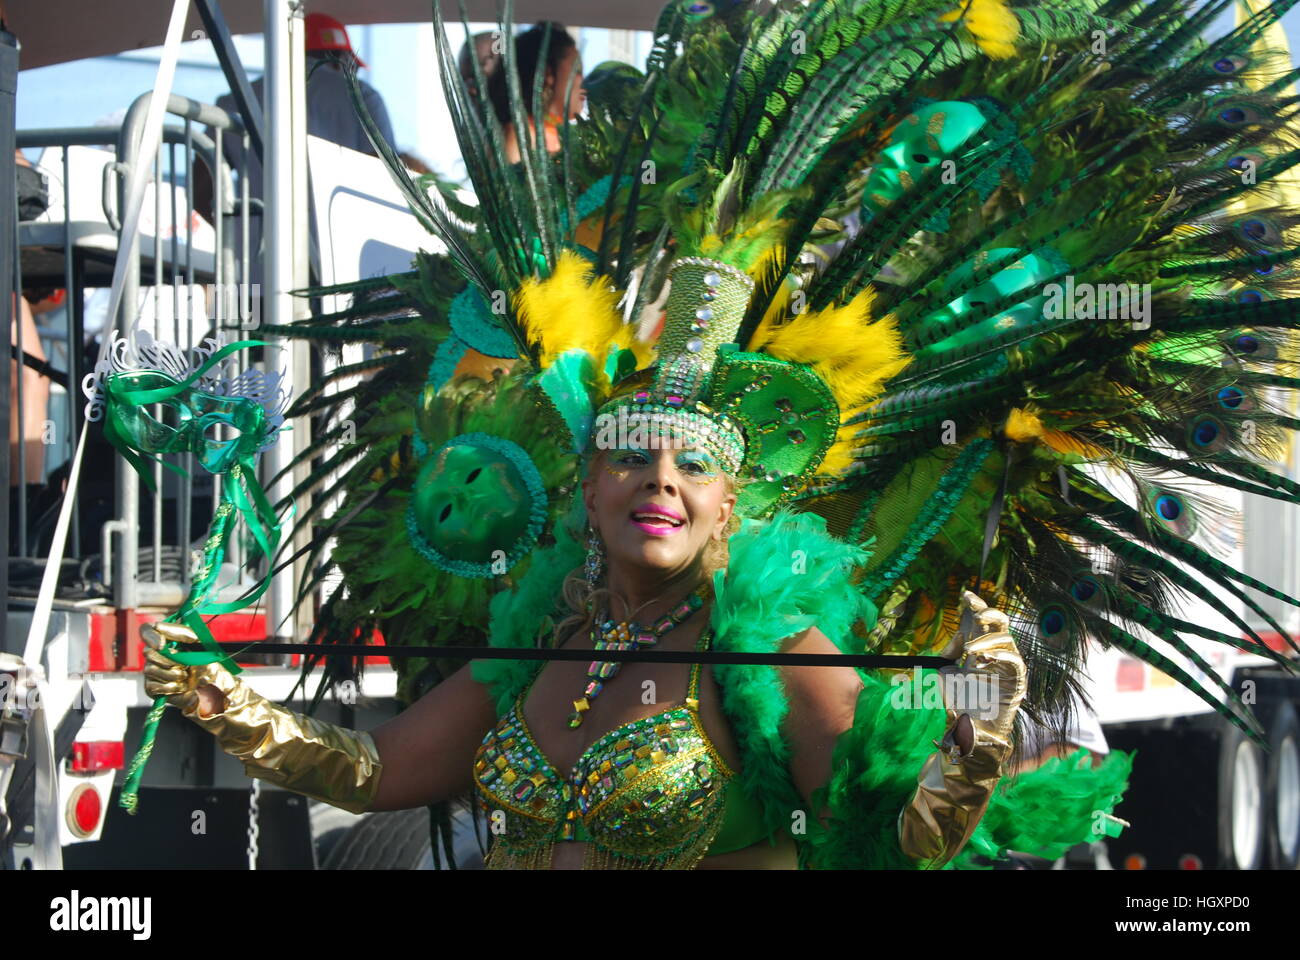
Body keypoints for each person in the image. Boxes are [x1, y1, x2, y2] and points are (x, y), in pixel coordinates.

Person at [132, 0, 1298, 871]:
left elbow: (878, 833)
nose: (660, 482)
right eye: (632, 457)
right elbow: (377, 771)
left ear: (732, 506)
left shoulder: (772, 650)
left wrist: (968, 754)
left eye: (694, 466)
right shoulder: (542, 639)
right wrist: (225, 706)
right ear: (584, 489)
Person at [485, 22, 585, 164]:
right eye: (577, 70)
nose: (584, 81)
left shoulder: (572, 138)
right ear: (548, 74)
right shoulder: (520, 136)